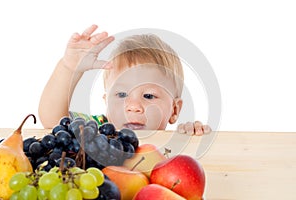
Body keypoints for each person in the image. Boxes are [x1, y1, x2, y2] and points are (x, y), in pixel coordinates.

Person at [38, 24, 211, 135]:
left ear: (174, 110)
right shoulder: (97, 130)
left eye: (149, 96)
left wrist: (192, 133)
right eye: (121, 94)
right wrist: (69, 67)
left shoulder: (172, 143)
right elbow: (52, 120)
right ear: (106, 102)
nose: (133, 106)